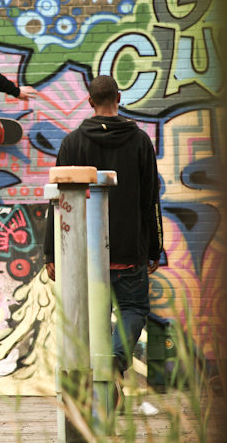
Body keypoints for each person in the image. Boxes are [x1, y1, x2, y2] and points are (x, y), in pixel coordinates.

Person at [43, 75, 163, 392]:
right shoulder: (140, 142)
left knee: (89, 319)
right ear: (119, 97)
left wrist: (50, 252)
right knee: (133, 311)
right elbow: (150, 198)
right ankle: (114, 360)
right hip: (128, 251)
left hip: (83, 253)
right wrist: (154, 247)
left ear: (89, 102)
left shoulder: (72, 142)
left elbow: (56, 201)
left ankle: (91, 390)